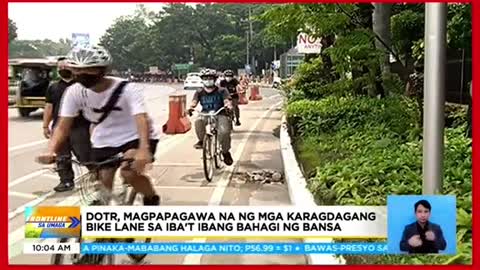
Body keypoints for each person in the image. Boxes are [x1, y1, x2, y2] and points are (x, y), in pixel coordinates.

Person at [35, 45, 160, 206]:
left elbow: (140, 117)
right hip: (104, 138)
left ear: (103, 69)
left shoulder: (128, 89)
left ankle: (151, 197)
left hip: (135, 135)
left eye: (89, 70)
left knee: (129, 172)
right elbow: (62, 126)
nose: (82, 75)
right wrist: (50, 149)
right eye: (77, 70)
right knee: (103, 182)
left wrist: (143, 149)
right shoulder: (74, 92)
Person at [42, 57, 92, 192]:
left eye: (66, 67)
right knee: (62, 156)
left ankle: (97, 175)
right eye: (60, 68)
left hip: (79, 127)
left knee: (84, 154)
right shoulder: (53, 87)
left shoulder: (82, 86)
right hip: (59, 128)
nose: (63, 69)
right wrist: (45, 126)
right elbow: (48, 107)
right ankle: (66, 181)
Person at [187, 68, 234, 166]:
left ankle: (225, 152)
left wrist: (228, 106)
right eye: (205, 78)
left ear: (215, 79)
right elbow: (194, 101)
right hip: (206, 114)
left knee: (224, 132)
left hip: (220, 113)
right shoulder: (199, 91)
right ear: (202, 79)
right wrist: (191, 108)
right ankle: (201, 140)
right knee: (198, 121)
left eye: (210, 78)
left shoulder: (222, 90)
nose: (208, 80)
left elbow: (227, 100)